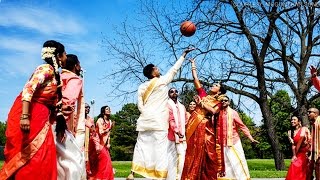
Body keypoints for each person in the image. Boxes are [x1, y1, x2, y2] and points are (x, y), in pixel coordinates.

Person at [0, 40, 69, 179]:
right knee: (32, 157)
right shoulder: (45, 69)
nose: (67, 57)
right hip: (30, 116)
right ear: (59, 56)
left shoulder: (56, 76)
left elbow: (48, 100)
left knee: (44, 156)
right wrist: (25, 116)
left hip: (42, 120)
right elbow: (28, 89)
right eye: (65, 53)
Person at [127, 47, 195, 180]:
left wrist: (147, 114)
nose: (159, 69)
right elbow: (174, 70)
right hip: (159, 122)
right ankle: (159, 176)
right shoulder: (161, 81)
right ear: (153, 73)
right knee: (160, 151)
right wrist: (183, 55)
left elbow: (140, 106)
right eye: (156, 68)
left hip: (145, 121)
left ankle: (132, 172)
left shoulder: (141, 87)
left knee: (141, 146)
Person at [181, 58, 226, 180]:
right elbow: (196, 80)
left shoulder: (219, 102)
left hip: (206, 128)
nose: (213, 85)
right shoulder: (203, 95)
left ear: (219, 91)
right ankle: (190, 177)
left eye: (216, 85)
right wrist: (193, 65)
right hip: (194, 125)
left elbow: (213, 111)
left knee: (208, 154)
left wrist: (201, 104)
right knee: (192, 152)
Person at [56, 54, 86, 179]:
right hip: (66, 126)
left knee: (57, 162)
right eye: (79, 64)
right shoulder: (74, 79)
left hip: (51, 121)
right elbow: (68, 101)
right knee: (74, 162)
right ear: (76, 65)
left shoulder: (58, 77)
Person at [219, 96, 259, 180]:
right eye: (222, 101)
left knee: (238, 162)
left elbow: (242, 126)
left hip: (233, 142)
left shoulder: (233, 113)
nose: (223, 102)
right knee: (226, 164)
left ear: (229, 102)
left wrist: (251, 138)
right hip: (222, 143)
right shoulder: (218, 114)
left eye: (225, 100)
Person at [167, 88, 188, 180]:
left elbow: (186, 119)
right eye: (171, 92)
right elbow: (170, 119)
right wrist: (176, 130)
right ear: (168, 94)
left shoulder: (182, 106)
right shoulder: (167, 105)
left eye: (176, 91)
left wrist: (183, 130)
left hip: (182, 136)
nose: (174, 93)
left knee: (182, 156)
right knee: (171, 158)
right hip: (170, 136)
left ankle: (179, 177)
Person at [91, 105, 114, 179]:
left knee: (108, 162)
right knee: (105, 160)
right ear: (103, 112)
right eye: (107, 109)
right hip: (98, 143)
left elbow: (108, 134)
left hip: (105, 144)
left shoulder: (110, 121)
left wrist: (108, 143)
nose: (109, 110)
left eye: (109, 109)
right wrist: (109, 128)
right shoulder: (100, 120)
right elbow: (101, 132)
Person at [285, 115, 310, 180]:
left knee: (302, 170)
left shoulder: (304, 129)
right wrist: (294, 155)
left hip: (305, 153)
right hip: (297, 153)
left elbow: (310, 140)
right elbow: (293, 145)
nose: (292, 121)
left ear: (299, 121)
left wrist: (309, 152)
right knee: (293, 166)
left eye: (294, 120)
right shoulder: (290, 132)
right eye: (291, 120)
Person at [306, 108, 320, 180]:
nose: (308, 114)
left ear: (316, 114)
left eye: (310, 112)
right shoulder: (314, 124)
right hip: (315, 154)